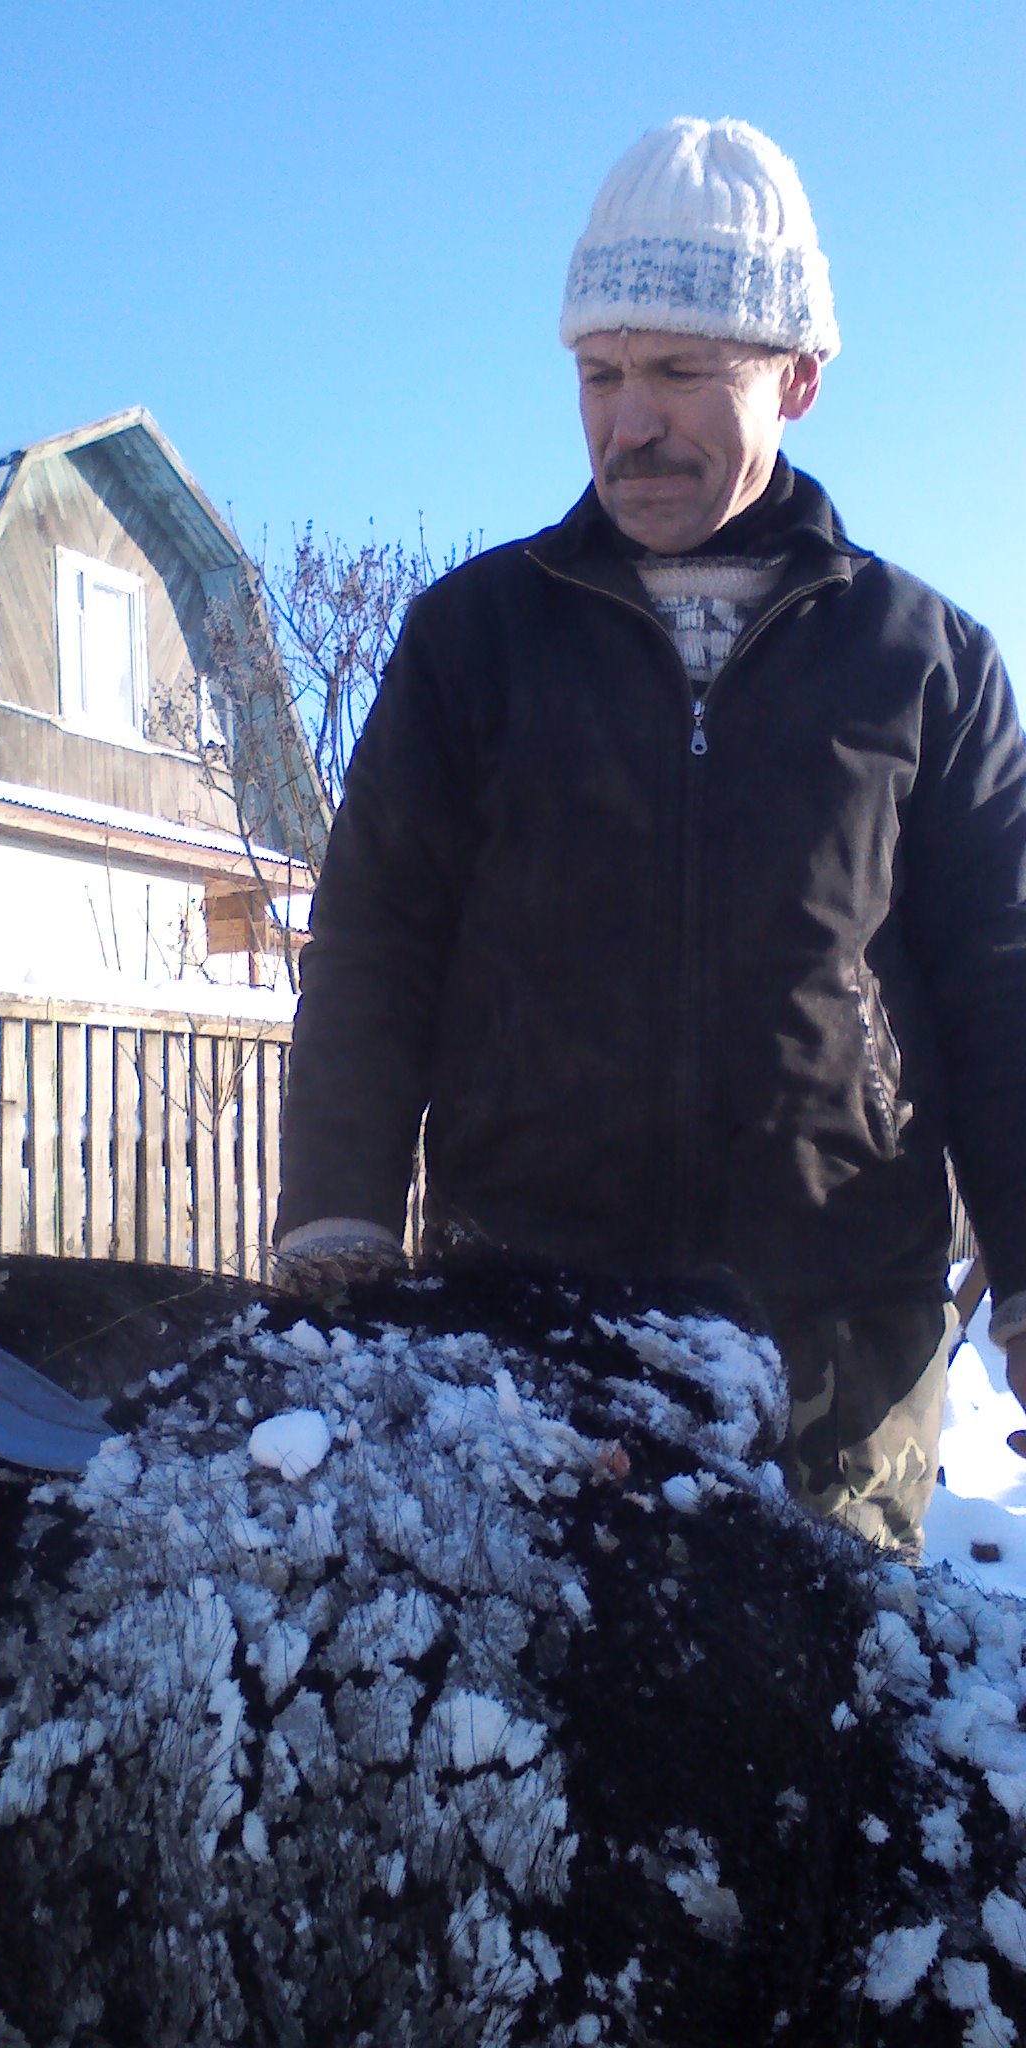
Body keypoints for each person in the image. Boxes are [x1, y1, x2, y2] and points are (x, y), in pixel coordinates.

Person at [274, 116, 1026, 1554]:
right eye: (600, 374)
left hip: (831, 1357)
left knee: (821, 1697)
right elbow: (374, 946)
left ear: (797, 377)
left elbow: (1003, 982)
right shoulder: (473, 643)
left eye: (680, 372)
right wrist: (335, 1227)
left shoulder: (927, 665)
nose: (629, 424)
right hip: (523, 1342)